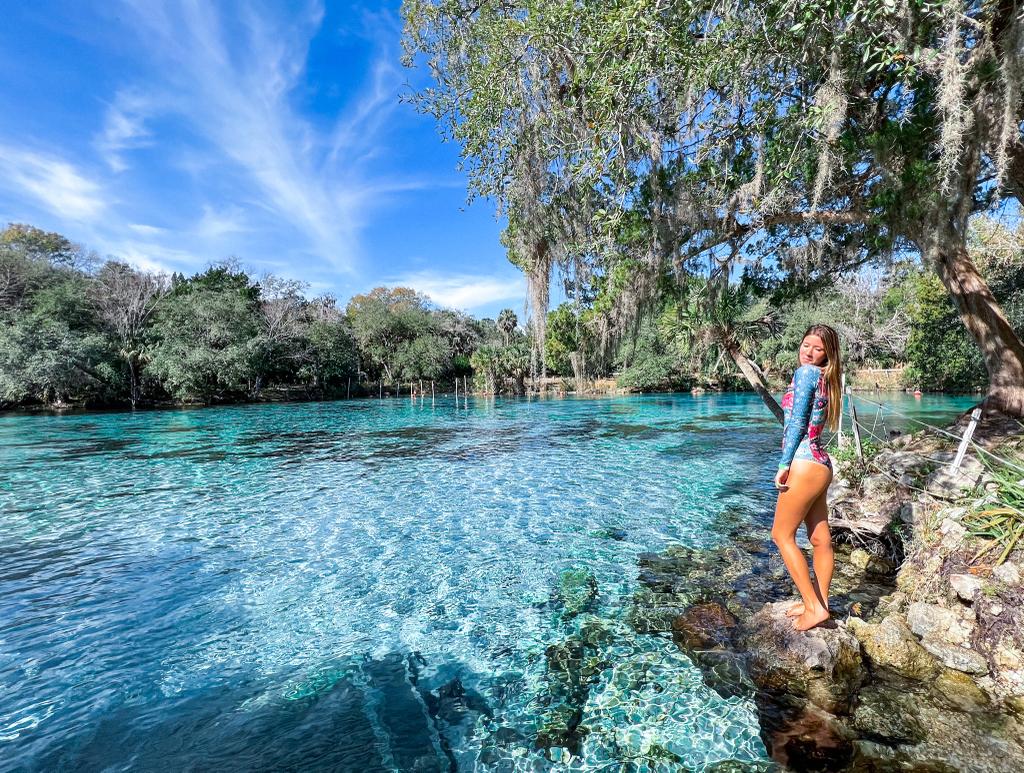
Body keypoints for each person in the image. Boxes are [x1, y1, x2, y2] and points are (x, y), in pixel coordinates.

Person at [772, 324, 843, 631]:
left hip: (802, 461)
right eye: (806, 346)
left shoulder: (806, 374)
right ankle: (819, 602)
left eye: (818, 348)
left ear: (827, 353)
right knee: (818, 537)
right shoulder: (828, 379)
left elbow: (798, 422)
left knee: (781, 535)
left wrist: (783, 463)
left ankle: (814, 607)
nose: (809, 352)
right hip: (821, 463)